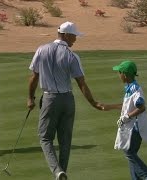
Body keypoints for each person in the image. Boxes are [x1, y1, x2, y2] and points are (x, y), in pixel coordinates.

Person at [27, 21, 103, 180]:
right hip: (68, 100)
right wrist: (93, 103)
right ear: (66, 35)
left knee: (45, 138)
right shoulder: (72, 56)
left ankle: (57, 172)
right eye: (74, 36)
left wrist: (30, 98)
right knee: (65, 140)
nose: (75, 39)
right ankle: (62, 173)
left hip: (49, 99)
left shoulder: (41, 50)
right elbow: (81, 83)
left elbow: (34, 77)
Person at [102, 60, 147, 180]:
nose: (118, 75)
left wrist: (127, 117)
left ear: (125, 75)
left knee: (129, 152)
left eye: (119, 72)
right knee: (131, 155)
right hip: (134, 126)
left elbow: (141, 107)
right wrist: (110, 107)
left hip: (136, 127)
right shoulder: (129, 87)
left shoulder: (135, 89)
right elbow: (127, 105)